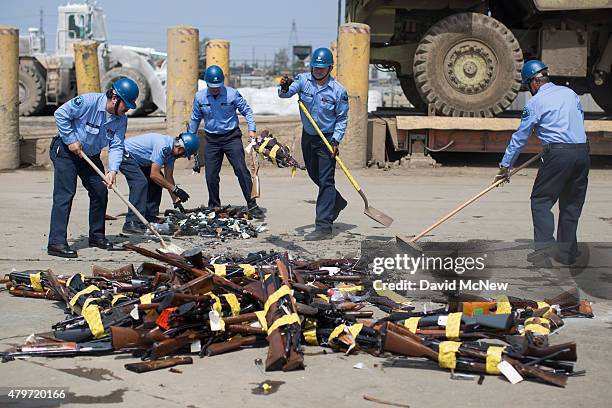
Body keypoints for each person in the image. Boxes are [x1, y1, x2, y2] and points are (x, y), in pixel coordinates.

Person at [495, 59, 589, 266]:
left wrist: (505, 166)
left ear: (534, 83)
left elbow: (520, 137)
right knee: (571, 204)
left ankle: (544, 254)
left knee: (541, 201)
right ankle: (566, 254)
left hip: (558, 155)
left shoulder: (535, 103)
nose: (530, 90)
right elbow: (578, 120)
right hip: (582, 153)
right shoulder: (570, 93)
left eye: (529, 86)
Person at [48, 78, 139, 258]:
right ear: (115, 98)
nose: (127, 110)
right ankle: (56, 242)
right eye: (126, 105)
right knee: (65, 194)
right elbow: (60, 114)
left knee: (100, 191)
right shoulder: (88, 102)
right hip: (66, 151)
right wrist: (71, 140)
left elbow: (116, 145)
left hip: (89, 155)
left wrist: (112, 170)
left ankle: (97, 236)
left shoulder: (120, 120)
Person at [278, 47, 349, 240]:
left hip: (327, 138)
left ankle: (324, 227)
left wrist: (336, 140)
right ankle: (337, 201)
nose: (317, 71)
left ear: (330, 68)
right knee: (313, 174)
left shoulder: (338, 91)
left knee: (326, 180)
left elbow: (342, 119)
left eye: (322, 68)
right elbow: (285, 94)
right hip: (309, 136)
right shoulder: (303, 80)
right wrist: (285, 87)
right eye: (315, 67)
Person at [188, 65, 264, 219]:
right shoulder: (200, 97)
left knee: (241, 171)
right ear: (207, 84)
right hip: (211, 139)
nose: (215, 90)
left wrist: (252, 130)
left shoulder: (232, 94)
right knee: (211, 174)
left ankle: (252, 204)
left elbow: (247, 111)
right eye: (212, 87)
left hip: (231, 137)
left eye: (218, 86)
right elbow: (195, 118)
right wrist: (190, 138)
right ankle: (214, 205)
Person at [119, 132, 199, 234]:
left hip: (141, 160)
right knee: (140, 182)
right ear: (180, 149)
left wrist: (176, 200)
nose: (181, 157)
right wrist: (176, 190)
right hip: (125, 154)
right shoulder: (164, 146)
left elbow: (168, 177)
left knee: (157, 182)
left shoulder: (171, 154)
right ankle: (131, 222)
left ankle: (148, 216)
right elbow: (154, 175)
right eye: (183, 155)